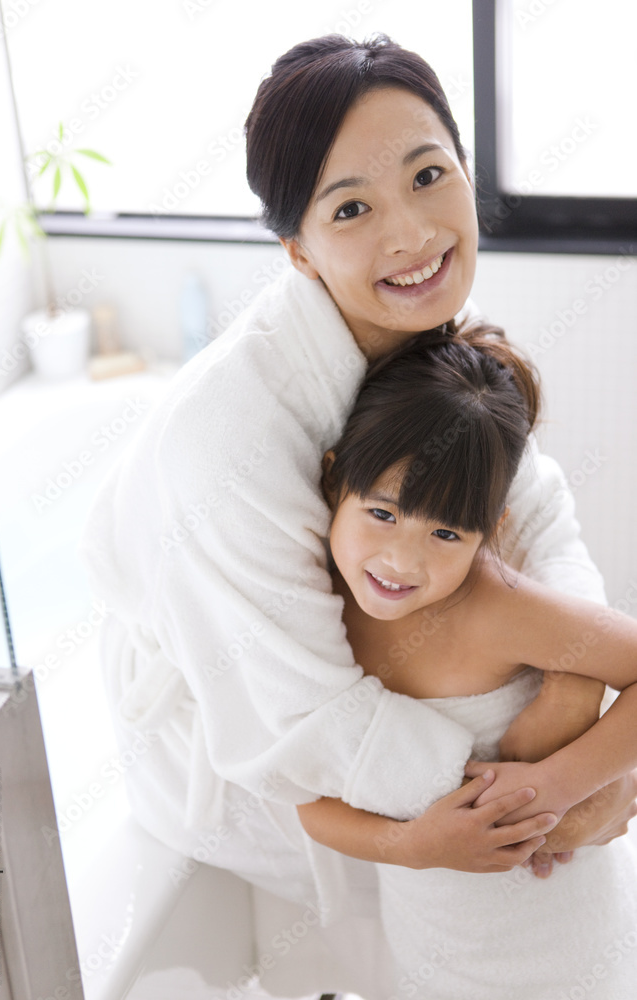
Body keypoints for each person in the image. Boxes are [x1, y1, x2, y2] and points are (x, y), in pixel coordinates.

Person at [80, 33, 636, 992]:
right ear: (297, 250)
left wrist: (572, 709)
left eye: (428, 175)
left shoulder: (428, 331)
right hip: (243, 751)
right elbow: (303, 727)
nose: (412, 235)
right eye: (351, 207)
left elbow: (538, 512)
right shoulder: (230, 438)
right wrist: (547, 788)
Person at [297, 328, 637, 997]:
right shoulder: (312, 615)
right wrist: (413, 846)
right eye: (383, 513)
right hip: (435, 948)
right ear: (334, 479)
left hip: (567, 944)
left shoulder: (492, 607)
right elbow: (307, 798)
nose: (402, 561)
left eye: (446, 532)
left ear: (491, 530)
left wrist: (555, 786)